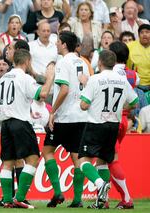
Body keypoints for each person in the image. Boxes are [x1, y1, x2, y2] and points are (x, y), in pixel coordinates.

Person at [79, 50, 138, 209]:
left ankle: (100, 184)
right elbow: (135, 102)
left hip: (96, 125)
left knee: (83, 161)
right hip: (113, 125)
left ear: (99, 63)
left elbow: (83, 105)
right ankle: (107, 201)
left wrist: (85, 89)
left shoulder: (95, 79)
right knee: (105, 161)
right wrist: (121, 108)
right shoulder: (122, 80)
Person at [0, 49, 54, 208]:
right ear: (27, 62)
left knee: (7, 163)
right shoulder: (25, 78)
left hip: (5, 124)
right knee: (33, 158)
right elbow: (42, 95)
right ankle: (20, 197)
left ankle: (7, 200)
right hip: (19, 122)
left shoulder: (2, 79)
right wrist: (49, 78)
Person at [43, 31, 90, 208]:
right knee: (77, 158)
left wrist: (53, 111)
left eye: (58, 41)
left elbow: (64, 89)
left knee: (47, 152)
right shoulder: (83, 63)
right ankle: (77, 200)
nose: (56, 44)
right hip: (81, 116)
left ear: (64, 45)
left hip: (65, 117)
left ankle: (57, 192)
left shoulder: (63, 62)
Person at [108, 41, 137, 209]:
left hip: (111, 119)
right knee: (106, 159)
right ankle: (103, 198)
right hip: (124, 120)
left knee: (112, 159)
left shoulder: (109, 73)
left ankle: (126, 198)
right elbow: (133, 100)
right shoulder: (133, 75)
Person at [127, 24, 150, 92]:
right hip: (135, 85)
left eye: (147, 32)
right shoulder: (130, 46)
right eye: (142, 32)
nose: (144, 34)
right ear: (138, 35)